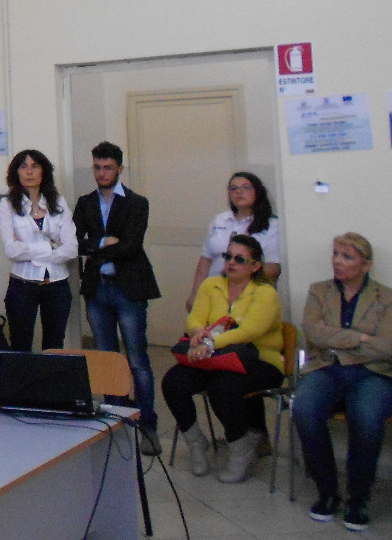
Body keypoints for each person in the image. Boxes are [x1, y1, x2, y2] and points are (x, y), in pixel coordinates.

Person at [293, 233, 392, 531]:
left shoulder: (388, 298)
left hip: (373, 373)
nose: (337, 261)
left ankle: (358, 499)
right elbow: (313, 332)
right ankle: (327, 492)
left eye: (347, 257)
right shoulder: (319, 291)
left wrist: (337, 339)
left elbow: (388, 348)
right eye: (336, 254)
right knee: (304, 409)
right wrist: (362, 338)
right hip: (327, 368)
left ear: (365, 265)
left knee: (366, 417)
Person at [162, 234, 283, 484]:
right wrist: (198, 332)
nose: (231, 262)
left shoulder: (265, 292)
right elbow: (195, 318)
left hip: (260, 360)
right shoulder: (211, 285)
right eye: (228, 256)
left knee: (223, 388)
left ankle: (240, 449)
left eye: (240, 259)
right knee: (173, 382)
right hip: (216, 358)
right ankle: (196, 442)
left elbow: (250, 331)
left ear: (255, 266)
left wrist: (210, 343)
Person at [74, 141, 162, 454]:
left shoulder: (137, 203)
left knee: (137, 359)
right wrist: (102, 242)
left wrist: (96, 246)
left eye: (108, 167)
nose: (102, 173)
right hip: (98, 289)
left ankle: (148, 425)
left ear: (119, 169)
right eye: (97, 167)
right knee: (107, 359)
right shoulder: (85, 203)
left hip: (129, 288)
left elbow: (131, 246)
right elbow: (75, 243)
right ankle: (115, 421)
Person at [0, 149, 77, 351]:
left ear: (44, 171)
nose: (29, 172)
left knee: (54, 345)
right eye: (23, 166)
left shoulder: (58, 202)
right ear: (16, 172)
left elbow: (72, 249)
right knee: (20, 345)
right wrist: (51, 245)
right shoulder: (7, 205)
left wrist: (27, 249)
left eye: (35, 166)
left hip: (57, 284)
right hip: (23, 284)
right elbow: (12, 251)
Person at [184, 171, 281, 311]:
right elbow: (205, 260)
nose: (239, 192)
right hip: (214, 292)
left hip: (249, 297)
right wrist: (195, 294)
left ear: (258, 192)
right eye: (233, 188)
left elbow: (272, 269)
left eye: (246, 187)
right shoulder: (220, 220)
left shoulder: (272, 225)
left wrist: (238, 286)